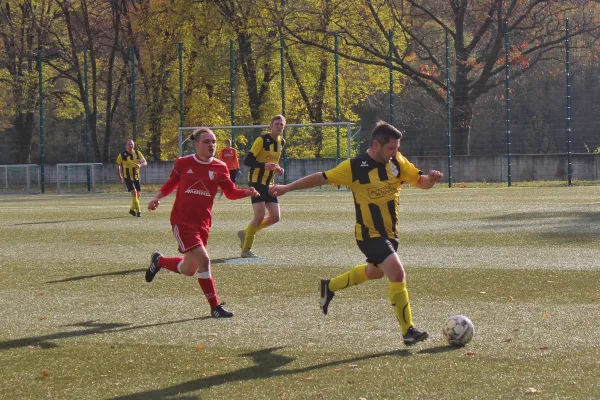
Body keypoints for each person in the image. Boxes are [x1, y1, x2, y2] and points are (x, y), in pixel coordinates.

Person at [269, 121, 443, 346]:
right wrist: (287, 188)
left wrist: (432, 179)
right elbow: (321, 177)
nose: (395, 152)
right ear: (375, 145)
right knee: (397, 273)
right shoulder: (355, 167)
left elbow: (421, 182)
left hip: (390, 234)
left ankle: (329, 286)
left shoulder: (397, 162)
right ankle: (408, 330)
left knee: (375, 272)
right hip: (368, 235)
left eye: (397, 148)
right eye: (391, 148)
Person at [145, 128, 259, 318]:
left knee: (189, 269)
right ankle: (215, 307)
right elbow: (172, 182)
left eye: (213, 141)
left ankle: (160, 261)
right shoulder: (184, 162)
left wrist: (245, 192)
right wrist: (157, 198)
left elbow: (230, 192)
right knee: (204, 260)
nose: (211, 145)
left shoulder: (221, 167)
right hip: (182, 221)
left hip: (203, 223)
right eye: (206, 142)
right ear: (196, 144)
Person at [237, 114, 285, 258]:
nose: (279, 127)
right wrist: (264, 165)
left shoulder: (282, 142)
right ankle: (246, 250)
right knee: (259, 215)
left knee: (275, 217)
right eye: (277, 124)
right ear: (270, 125)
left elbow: (273, 161)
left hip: (269, 183)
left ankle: (246, 232)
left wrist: (278, 169)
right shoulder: (262, 140)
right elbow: (248, 161)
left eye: (282, 125)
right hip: (256, 181)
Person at [116, 139, 147, 217]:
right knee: (134, 192)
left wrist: (140, 165)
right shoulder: (122, 155)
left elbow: (145, 162)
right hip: (127, 177)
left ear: (134, 145)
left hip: (136, 176)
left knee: (138, 195)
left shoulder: (137, 153)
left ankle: (132, 210)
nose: (130, 146)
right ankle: (139, 211)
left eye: (131, 144)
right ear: (126, 146)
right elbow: (118, 165)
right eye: (129, 144)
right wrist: (119, 175)